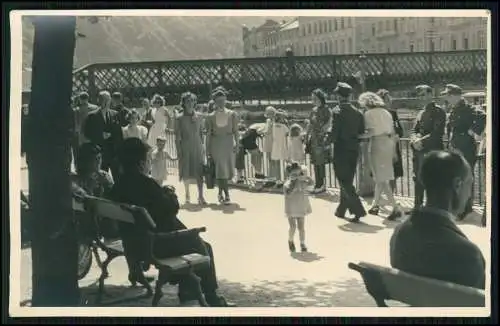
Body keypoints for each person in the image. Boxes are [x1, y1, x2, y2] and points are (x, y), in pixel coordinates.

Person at [109, 138, 235, 306]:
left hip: (135, 245)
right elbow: (169, 209)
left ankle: (188, 290)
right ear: (140, 163)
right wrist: (170, 195)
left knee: (186, 238)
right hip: (157, 244)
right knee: (202, 245)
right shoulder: (146, 184)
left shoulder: (118, 186)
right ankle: (210, 297)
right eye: (148, 160)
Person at [390, 150, 485, 289]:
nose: (470, 194)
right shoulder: (468, 254)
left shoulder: (399, 235)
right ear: (457, 185)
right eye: (470, 183)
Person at [442, 84, 486, 219]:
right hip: (455, 147)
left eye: (448, 95)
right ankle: (459, 206)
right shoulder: (454, 109)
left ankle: (465, 208)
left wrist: (472, 131)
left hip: (465, 148)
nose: (447, 98)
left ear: (455, 95)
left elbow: (483, 116)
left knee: (465, 178)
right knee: (457, 178)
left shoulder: (467, 108)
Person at [359, 91, 403, 220]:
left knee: (380, 178)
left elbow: (371, 132)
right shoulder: (387, 113)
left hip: (377, 143)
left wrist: (358, 136)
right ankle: (375, 205)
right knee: (383, 176)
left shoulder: (368, 114)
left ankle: (395, 207)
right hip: (388, 143)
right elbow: (393, 132)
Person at [329, 82, 367, 222]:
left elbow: (334, 133)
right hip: (353, 149)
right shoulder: (358, 112)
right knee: (348, 179)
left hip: (341, 149)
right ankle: (341, 209)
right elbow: (361, 132)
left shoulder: (337, 111)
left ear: (339, 96)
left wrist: (326, 143)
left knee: (343, 181)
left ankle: (358, 210)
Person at [71, 143, 119, 243]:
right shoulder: (76, 180)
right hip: (89, 225)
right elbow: (85, 201)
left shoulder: (104, 175)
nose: (98, 162)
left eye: (100, 158)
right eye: (95, 159)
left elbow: (116, 198)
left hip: (106, 223)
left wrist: (108, 185)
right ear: (85, 161)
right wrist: (90, 188)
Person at [410, 85, 447, 210]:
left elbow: (437, 133)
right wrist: (414, 139)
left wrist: (420, 141)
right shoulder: (421, 112)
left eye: (424, 94)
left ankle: (434, 208)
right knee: (418, 179)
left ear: (431, 95)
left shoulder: (439, 111)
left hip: (433, 151)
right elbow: (414, 130)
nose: (422, 98)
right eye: (419, 95)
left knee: (433, 180)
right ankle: (417, 207)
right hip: (419, 151)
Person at [205, 88, 239, 204]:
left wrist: (237, 144)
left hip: (228, 143)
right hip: (216, 144)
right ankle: (227, 195)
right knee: (220, 170)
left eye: (223, 101)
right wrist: (207, 150)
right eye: (218, 101)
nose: (221, 103)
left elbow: (236, 131)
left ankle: (220, 192)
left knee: (225, 171)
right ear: (215, 102)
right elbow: (208, 134)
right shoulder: (210, 117)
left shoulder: (232, 114)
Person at [83, 91, 124, 182]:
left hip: (114, 153)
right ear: (99, 101)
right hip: (100, 153)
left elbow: (119, 134)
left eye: (107, 100)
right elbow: (86, 133)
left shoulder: (115, 114)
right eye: (103, 100)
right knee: (100, 179)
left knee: (118, 178)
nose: (106, 102)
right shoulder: (92, 116)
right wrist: (100, 136)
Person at [174, 92, 207, 205]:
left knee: (199, 171)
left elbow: (201, 133)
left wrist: (203, 148)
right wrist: (179, 151)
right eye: (187, 101)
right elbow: (177, 136)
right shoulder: (179, 118)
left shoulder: (199, 116)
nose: (190, 103)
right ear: (183, 103)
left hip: (197, 146)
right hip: (185, 146)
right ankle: (187, 194)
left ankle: (201, 195)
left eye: (192, 100)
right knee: (186, 170)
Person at [377, 89, 404, 192]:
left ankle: (391, 195)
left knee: (394, 174)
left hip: (393, 147)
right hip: (382, 148)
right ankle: (381, 197)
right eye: (386, 99)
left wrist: (397, 134)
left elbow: (400, 131)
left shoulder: (393, 113)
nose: (389, 101)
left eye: (389, 99)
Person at [306, 88, 332, 194]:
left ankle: (321, 184)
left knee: (320, 162)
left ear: (321, 98)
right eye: (312, 98)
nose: (313, 100)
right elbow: (310, 124)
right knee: (316, 163)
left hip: (321, 139)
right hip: (314, 139)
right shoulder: (314, 110)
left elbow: (329, 123)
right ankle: (318, 183)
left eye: (315, 98)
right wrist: (307, 135)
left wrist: (322, 132)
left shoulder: (326, 109)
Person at [284, 162, 314, 253]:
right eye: (294, 174)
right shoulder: (287, 184)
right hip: (291, 208)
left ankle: (302, 243)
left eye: (299, 173)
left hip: (301, 207)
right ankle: (290, 240)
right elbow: (288, 193)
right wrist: (294, 183)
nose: (297, 176)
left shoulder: (302, 182)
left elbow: (311, 187)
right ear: (289, 175)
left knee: (301, 227)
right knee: (292, 227)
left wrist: (308, 178)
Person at [72, 92, 99, 163]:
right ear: (88, 98)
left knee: (79, 153)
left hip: (81, 135)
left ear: (80, 99)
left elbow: (76, 125)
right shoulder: (95, 108)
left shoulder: (77, 110)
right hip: (92, 134)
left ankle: (79, 167)